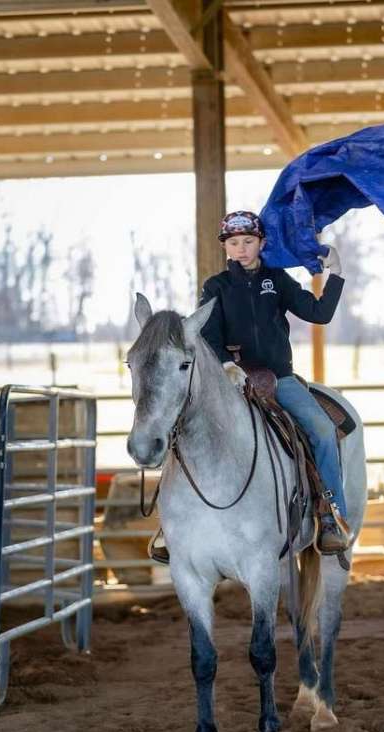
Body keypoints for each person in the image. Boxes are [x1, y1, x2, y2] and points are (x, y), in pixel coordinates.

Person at [148, 210, 349, 563]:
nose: (241, 249)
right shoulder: (216, 287)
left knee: (321, 430)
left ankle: (330, 514)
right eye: (234, 243)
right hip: (230, 382)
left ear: (262, 243)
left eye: (248, 242)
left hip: (279, 380)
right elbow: (206, 334)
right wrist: (227, 364)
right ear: (226, 247)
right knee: (180, 426)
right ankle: (169, 523)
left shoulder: (278, 280)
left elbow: (319, 314)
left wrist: (335, 273)